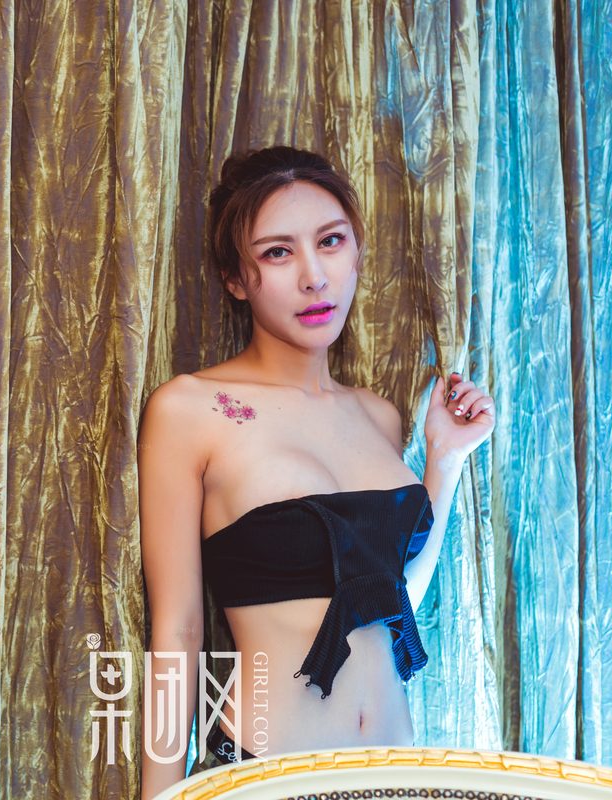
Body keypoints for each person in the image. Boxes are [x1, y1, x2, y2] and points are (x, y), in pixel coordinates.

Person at [137, 146, 494, 799]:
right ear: (235, 279)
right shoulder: (188, 410)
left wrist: (442, 461)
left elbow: (390, 602)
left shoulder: (378, 416)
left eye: (330, 241)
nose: (314, 276)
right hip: (264, 778)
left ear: (355, 252)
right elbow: (179, 631)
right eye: (278, 253)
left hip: (396, 780)